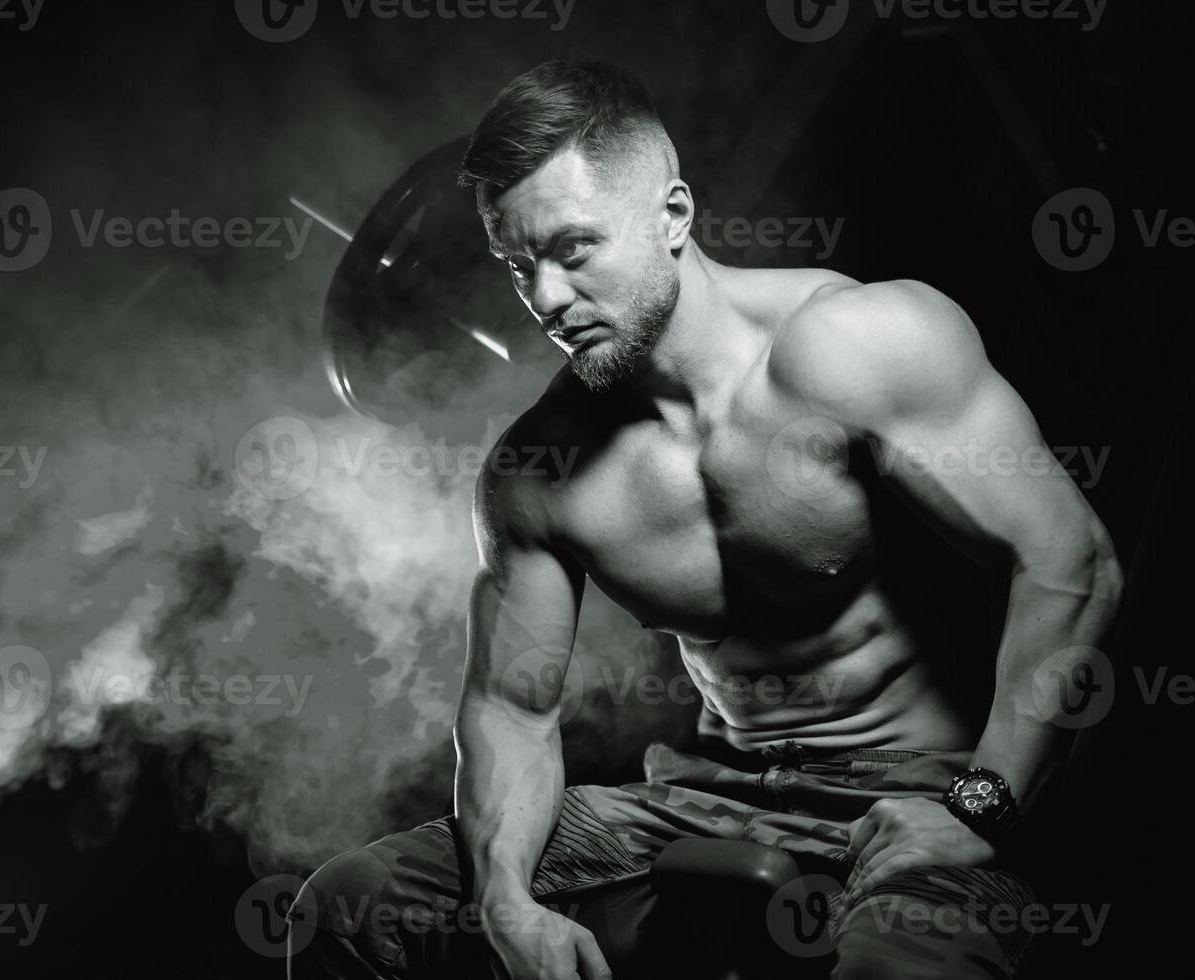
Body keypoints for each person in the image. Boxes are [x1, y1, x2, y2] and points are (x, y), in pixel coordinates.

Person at [288, 59, 1122, 980]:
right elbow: (511, 708)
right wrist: (506, 902)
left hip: (926, 787)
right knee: (350, 907)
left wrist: (983, 803)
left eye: (574, 251)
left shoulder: (855, 346)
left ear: (673, 216)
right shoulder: (539, 472)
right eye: (519, 265)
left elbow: (1069, 561)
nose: (548, 300)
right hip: (707, 795)